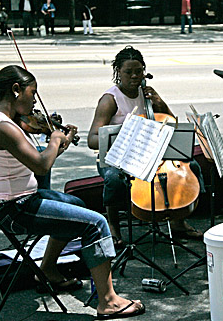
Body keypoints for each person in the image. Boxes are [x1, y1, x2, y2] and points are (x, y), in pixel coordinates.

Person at [0, 65, 145, 319]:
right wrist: (55, 139)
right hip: (16, 208)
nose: (35, 100)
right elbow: (40, 164)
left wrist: (58, 143)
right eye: (32, 93)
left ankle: (47, 269)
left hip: (23, 199)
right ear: (16, 90)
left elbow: (40, 159)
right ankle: (108, 301)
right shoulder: (3, 127)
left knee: (76, 204)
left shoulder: (6, 121)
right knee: (96, 223)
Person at [87, 46, 204, 249]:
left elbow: (171, 123)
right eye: (128, 72)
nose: (134, 76)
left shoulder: (147, 93)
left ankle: (178, 220)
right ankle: (113, 226)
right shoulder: (110, 100)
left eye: (138, 71)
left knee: (192, 165)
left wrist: (160, 102)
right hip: (119, 157)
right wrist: (124, 134)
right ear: (118, 73)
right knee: (114, 179)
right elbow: (92, 139)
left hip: (148, 154)